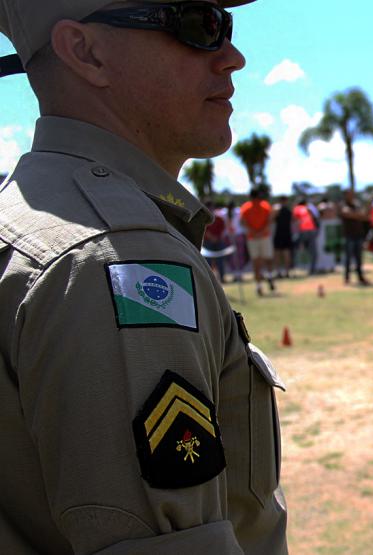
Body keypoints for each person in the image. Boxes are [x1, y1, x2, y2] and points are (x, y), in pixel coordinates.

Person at [0, 1, 287, 552]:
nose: (234, 57)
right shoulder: (117, 256)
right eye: (201, 26)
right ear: (87, 53)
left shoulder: (28, 220)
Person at [240, 187, 277, 296]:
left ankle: (259, 286)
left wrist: (254, 231)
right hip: (264, 236)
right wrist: (261, 231)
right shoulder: (265, 205)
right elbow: (270, 220)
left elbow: (243, 222)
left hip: (252, 237)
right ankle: (270, 277)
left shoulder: (245, 207)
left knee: (256, 262)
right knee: (268, 259)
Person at [340, 189, 372, 286]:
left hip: (358, 235)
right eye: (349, 194)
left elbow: (366, 217)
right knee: (348, 258)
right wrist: (359, 215)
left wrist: (359, 214)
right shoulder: (343, 205)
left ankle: (360, 277)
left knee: (359, 258)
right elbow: (348, 214)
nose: (351, 196)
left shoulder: (356, 205)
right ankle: (347, 278)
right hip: (349, 235)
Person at [203, 199, 230, 282]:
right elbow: (204, 230)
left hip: (218, 242)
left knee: (220, 261)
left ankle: (222, 278)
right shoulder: (203, 219)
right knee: (208, 262)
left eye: (211, 207)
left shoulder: (219, 219)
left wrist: (216, 238)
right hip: (207, 242)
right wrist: (211, 238)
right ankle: (209, 280)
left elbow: (222, 230)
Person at [293, 196, 320, 275]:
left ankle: (292, 269)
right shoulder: (309, 208)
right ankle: (312, 270)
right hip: (311, 231)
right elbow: (316, 218)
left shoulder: (296, 208)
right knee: (313, 252)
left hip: (302, 232)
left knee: (294, 249)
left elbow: (295, 221)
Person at [272, 195, 293, 278]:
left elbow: (271, 219)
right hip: (287, 234)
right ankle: (286, 272)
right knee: (286, 253)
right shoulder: (289, 211)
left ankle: (278, 272)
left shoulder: (277, 210)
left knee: (278, 254)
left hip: (279, 234)